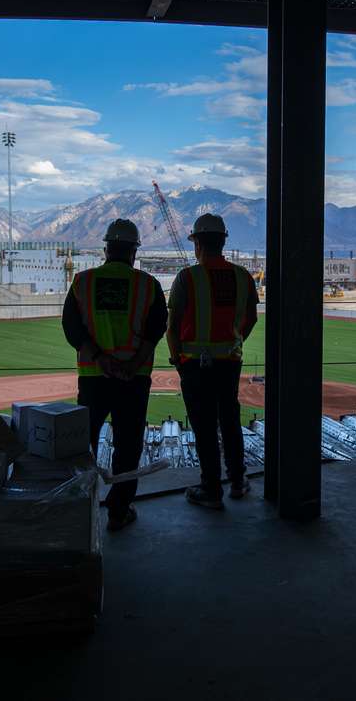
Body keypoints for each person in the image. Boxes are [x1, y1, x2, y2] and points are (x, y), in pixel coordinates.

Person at [62, 219, 167, 532]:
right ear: (134, 251)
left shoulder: (83, 282)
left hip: (94, 378)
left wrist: (100, 359)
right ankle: (119, 511)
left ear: (106, 248)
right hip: (133, 380)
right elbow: (156, 328)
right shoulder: (148, 285)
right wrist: (133, 363)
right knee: (128, 445)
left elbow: (72, 328)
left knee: (83, 443)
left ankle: (80, 506)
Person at [167, 213, 259, 510]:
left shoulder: (187, 277)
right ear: (222, 242)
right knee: (229, 420)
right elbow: (251, 318)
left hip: (194, 364)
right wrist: (235, 341)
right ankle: (237, 481)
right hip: (229, 362)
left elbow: (173, 325)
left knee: (204, 425)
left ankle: (211, 488)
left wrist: (178, 358)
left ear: (197, 244)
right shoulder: (243, 276)